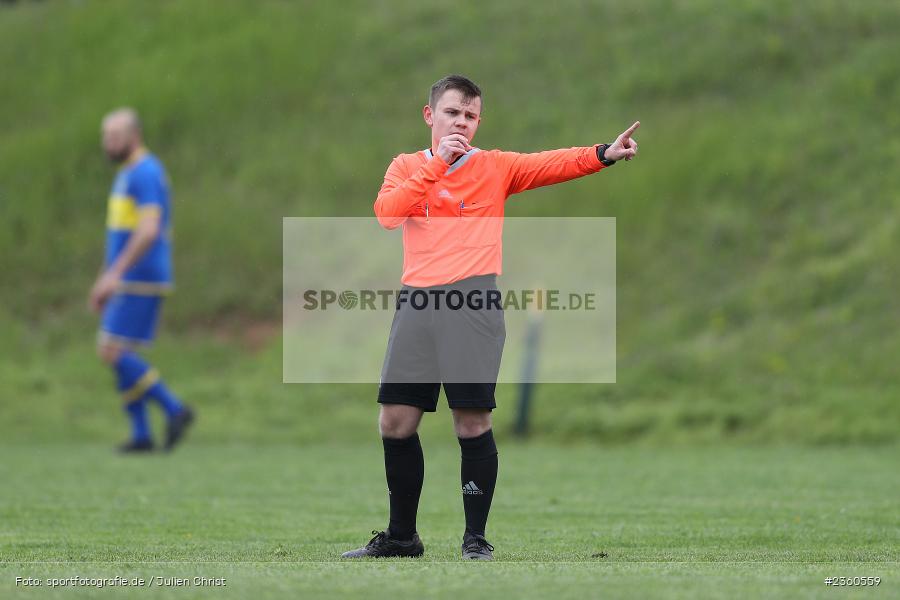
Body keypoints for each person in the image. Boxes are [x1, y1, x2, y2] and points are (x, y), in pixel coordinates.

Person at [341, 75, 639, 560]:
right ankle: (401, 538)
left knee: (471, 422)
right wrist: (436, 166)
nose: (462, 122)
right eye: (453, 112)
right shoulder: (407, 166)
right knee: (395, 422)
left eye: (471, 115)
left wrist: (602, 153)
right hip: (417, 303)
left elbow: (549, 164)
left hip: (472, 302)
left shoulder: (495, 167)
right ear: (429, 115)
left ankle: (475, 539)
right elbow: (387, 214)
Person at [89, 108, 194, 454]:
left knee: (111, 349)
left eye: (114, 137)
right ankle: (141, 434)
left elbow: (149, 230)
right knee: (118, 350)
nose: (108, 144)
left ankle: (174, 408)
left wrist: (115, 274)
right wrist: (105, 276)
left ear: (133, 136)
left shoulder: (146, 172)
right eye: (105, 137)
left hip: (141, 275)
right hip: (127, 276)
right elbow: (121, 233)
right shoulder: (127, 173)